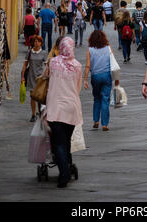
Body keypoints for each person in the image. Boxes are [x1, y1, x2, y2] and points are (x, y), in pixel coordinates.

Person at [46, 37, 83, 188]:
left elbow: (45, 77)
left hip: (55, 108)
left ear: (60, 47)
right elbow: (78, 87)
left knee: (59, 143)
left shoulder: (53, 63)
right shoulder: (78, 66)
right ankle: (67, 165)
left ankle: (64, 174)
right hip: (72, 108)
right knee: (66, 141)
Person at [84, 30, 112, 131]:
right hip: (107, 75)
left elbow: (88, 65)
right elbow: (113, 62)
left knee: (96, 98)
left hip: (95, 76)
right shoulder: (108, 48)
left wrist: (85, 79)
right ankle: (105, 124)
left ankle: (96, 121)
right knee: (105, 99)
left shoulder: (90, 49)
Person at [21, 35, 47, 122]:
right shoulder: (29, 53)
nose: (37, 43)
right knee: (32, 96)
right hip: (31, 77)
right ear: (33, 43)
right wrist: (22, 77)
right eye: (35, 41)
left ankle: (40, 112)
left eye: (38, 41)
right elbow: (25, 65)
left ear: (41, 43)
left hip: (40, 78)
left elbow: (46, 66)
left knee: (39, 96)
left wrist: (46, 76)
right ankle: (33, 114)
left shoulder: (43, 53)